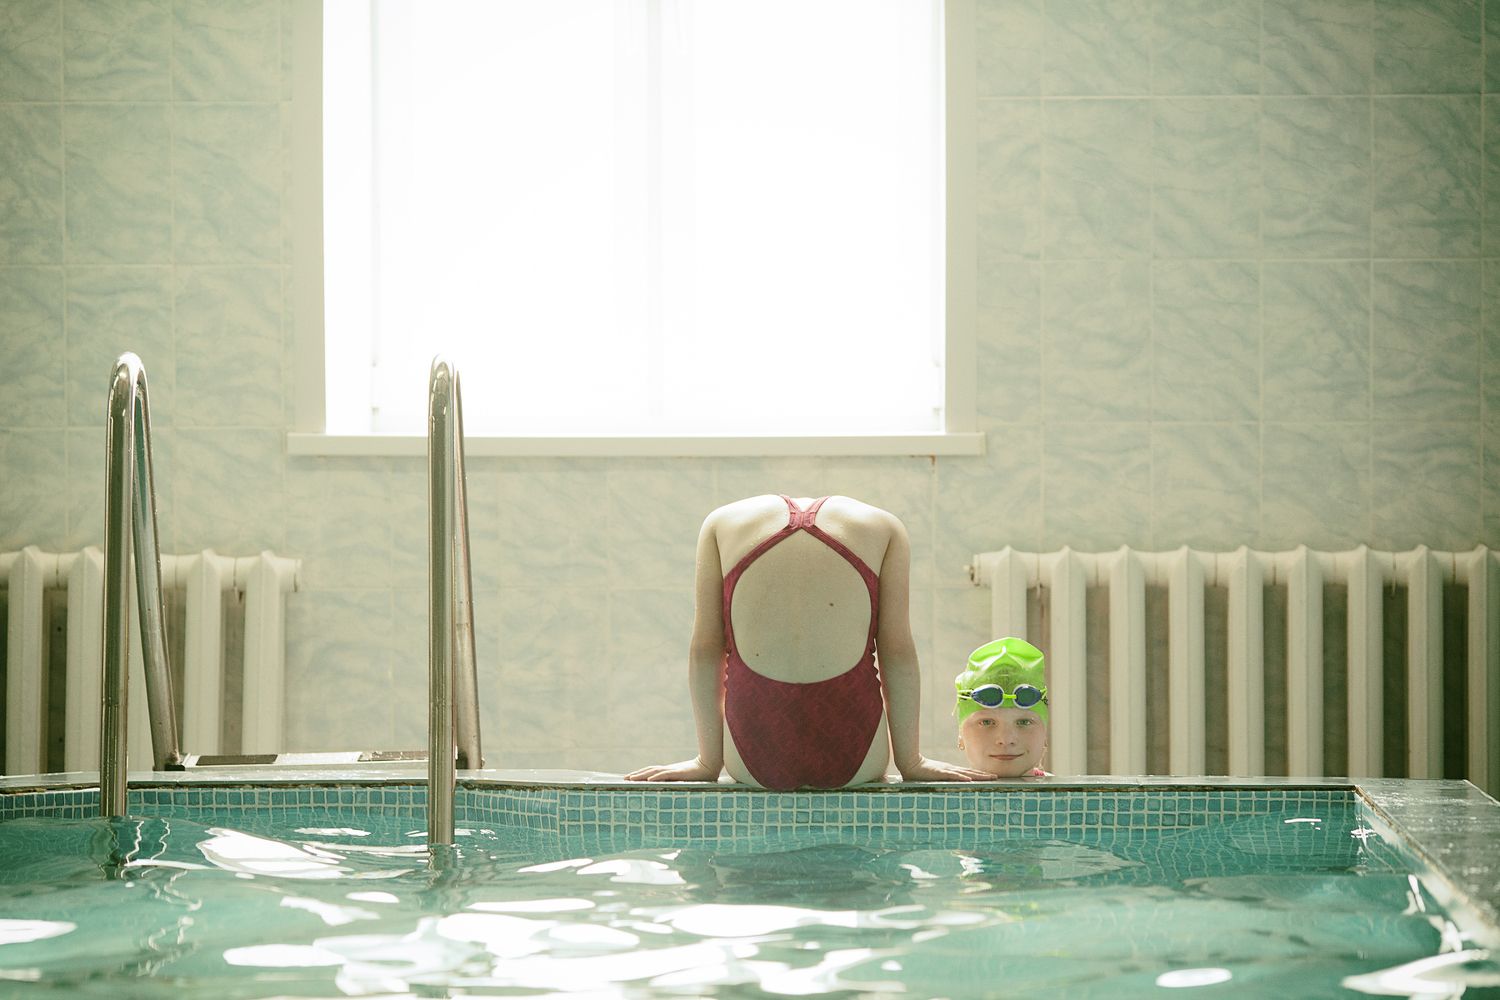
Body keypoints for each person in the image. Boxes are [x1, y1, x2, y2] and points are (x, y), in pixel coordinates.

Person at [625, 494, 992, 789]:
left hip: (753, 754)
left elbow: (706, 649)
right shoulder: (883, 526)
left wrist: (707, 762)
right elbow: (896, 652)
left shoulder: (721, 523)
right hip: (857, 751)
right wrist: (911, 761)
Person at [954, 637, 1050, 778]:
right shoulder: (936, 791)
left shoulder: (1069, 791)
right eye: (986, 722)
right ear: (961, 735)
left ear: (1045, 735)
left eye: (1024, 722)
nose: (1006, 739)